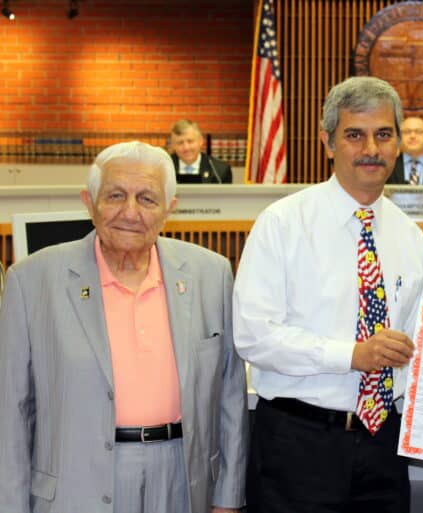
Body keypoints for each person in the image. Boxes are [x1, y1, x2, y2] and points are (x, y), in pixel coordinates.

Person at [0, 141, 248, 513]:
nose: (130, 212)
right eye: (115, 195)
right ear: (89, 201)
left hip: (181, 479)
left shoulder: (211, 275)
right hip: (74, 486)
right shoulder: (31, 281)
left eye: (147, 199)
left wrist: (228, 496)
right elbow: (12, 413)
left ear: (170, 209)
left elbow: (230, 395)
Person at [233, 76, 423, 513]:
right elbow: (254, 336)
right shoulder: (283, 224)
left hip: (383, 445)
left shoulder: (410, 237)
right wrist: (352, 355)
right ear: (327, 142)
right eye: (355, 134)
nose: (372, 148)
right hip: (299, 444)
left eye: (384, 134)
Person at [170, 119, 233, 183]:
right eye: (180, 143)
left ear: (200, 141)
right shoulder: (162, 169)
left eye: (190, 141)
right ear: (173, 145)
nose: (186, 148)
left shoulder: (220, 170)